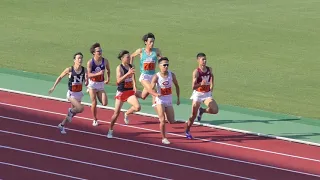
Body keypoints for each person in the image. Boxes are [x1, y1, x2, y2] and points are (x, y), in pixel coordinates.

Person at [107, 50, 145, 138]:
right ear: (122, 58)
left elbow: (133, 76)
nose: (129, 58)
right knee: (116, 113)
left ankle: (127, 113)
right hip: (121, 92)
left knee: (138, 107)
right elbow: (118, 81)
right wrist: (127, 74)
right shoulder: (119, 68)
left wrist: (135, 86)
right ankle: (110, 129)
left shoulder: (131, 66)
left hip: (130, 91)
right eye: (127, 57)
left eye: (129, 57)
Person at [48, 52, 88, 134]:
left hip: (79, 93)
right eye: (78, 58)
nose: (80, 60)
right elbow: (60, 77)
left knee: (72, 114)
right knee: (81, 108)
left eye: (81, 58)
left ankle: (61, 125)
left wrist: (87, 83)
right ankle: (70, 111)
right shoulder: (69, 69)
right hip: (71, 94)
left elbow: (86, 80)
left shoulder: (84, 70)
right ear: (74, 60)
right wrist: (53, 87)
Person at [185, 53, 219, 139]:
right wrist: (200, 84)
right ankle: (187, 130)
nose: (204, 61)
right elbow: (193, 87)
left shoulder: (209, 69)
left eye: (205, 59)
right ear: (198, 60)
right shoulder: (196, 72)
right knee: (193, 115)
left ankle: (202, 111)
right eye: (202, 59)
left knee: (215, 110)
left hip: (207, 94)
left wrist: (211, 86)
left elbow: (212, 77)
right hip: (198, 94)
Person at [150, 57, 180, 144]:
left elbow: (177, 86)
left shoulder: (172, 75)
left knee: (171, 121)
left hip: (168, 100)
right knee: (162, 120)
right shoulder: (156, 76)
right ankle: (164, 138)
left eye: (167, 65)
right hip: (160, 100)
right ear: (159, 66)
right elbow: (151, 89)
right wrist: (156, 95)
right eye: (164, 65)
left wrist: (178, 98)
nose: (166, 66)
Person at [130, 33, 162, 104]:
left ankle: (128, 93)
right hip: (144, 76)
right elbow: (131, 56)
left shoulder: (156, 51)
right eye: (150, 42)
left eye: (153, 42)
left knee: (143, 96)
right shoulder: (141, 51)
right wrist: (131, 66)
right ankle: (159, 112)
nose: (152, 43)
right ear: (145, 42)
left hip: (153, 76)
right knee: (153, 92)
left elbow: (161, 61)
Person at [87, 42, 110, 126]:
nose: (100, 52)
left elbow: (108, 70)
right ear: (94, 53)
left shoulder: (105, 61)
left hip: (100, 84)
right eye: (98, 51)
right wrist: (98, 74)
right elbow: (88, 74)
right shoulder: (90, 62)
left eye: (101, 50)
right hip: (92, 84)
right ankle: (95, 119)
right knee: (94, 102)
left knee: (104, 103)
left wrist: (108, 78)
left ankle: (96, 93)